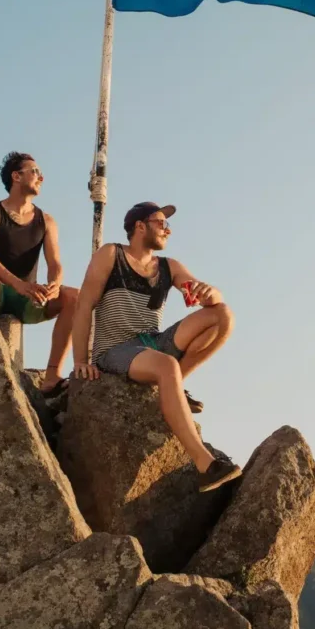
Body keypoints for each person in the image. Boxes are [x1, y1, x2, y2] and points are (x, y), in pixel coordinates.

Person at [72, 201, 241, 493]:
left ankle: (173, 387)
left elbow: (206, 295)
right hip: (116, 349)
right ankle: (206, 466)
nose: (168, 230)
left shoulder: (168, 266)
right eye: (161, 223)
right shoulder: (111, 254)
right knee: (166, 365)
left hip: (153, 342)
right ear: (140, 226)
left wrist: (208, 292)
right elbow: (84, 305)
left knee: (223, 315)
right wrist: (81, 360)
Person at [0, 151, 77, 393]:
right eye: (35, 172)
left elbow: (55, 263)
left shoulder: (46, 220)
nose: (41, 178)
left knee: (74, 297)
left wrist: (54, 284)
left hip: (26, 299)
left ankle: (52, 376)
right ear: (16, 176)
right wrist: (19, 285)